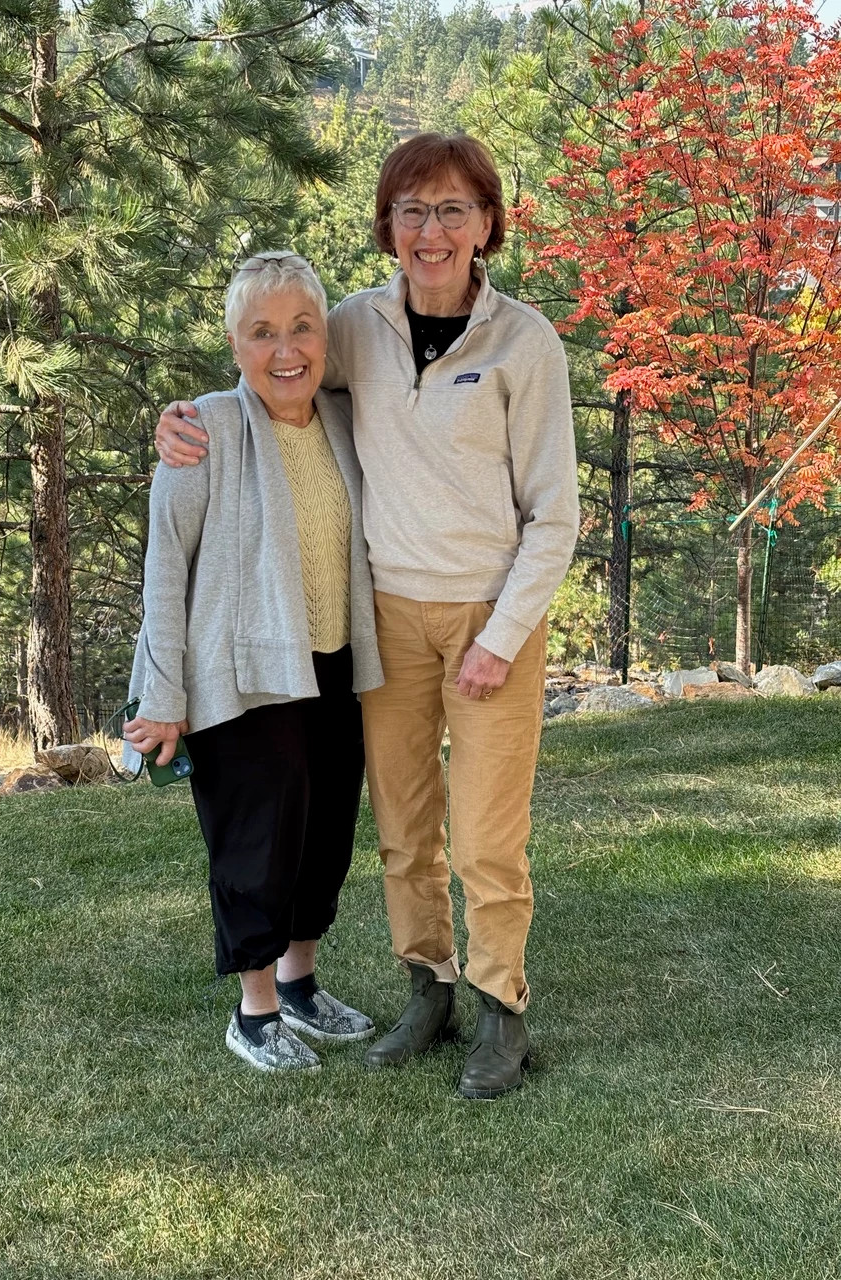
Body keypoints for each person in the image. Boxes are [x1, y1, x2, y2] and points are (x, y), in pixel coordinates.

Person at [154, 134, 580, 1100]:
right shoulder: (356, 327)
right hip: (384, 620)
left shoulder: (526, 345)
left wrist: (502, 637)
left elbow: (555, 515)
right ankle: (426, 989)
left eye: (453, 211)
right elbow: (275, 360)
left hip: (486, 620)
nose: (432, 231)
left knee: (484, 834)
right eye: (412, 212)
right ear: (387, 226)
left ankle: (499, 1012)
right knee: (402, 830)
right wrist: (186, 416)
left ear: (487, 226)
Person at [124, 251, 384, 1075]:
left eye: (302, 327)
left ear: (325, 336)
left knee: (324, 835)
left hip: (334, 669)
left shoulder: (342, 418)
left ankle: (303, 985)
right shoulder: (203, 428)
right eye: (262, 332)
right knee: (256, 842)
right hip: (240, 679)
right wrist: (163, 695)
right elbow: (165, 568)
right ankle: (256, 1008)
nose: (286, 350)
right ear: (234, 344)